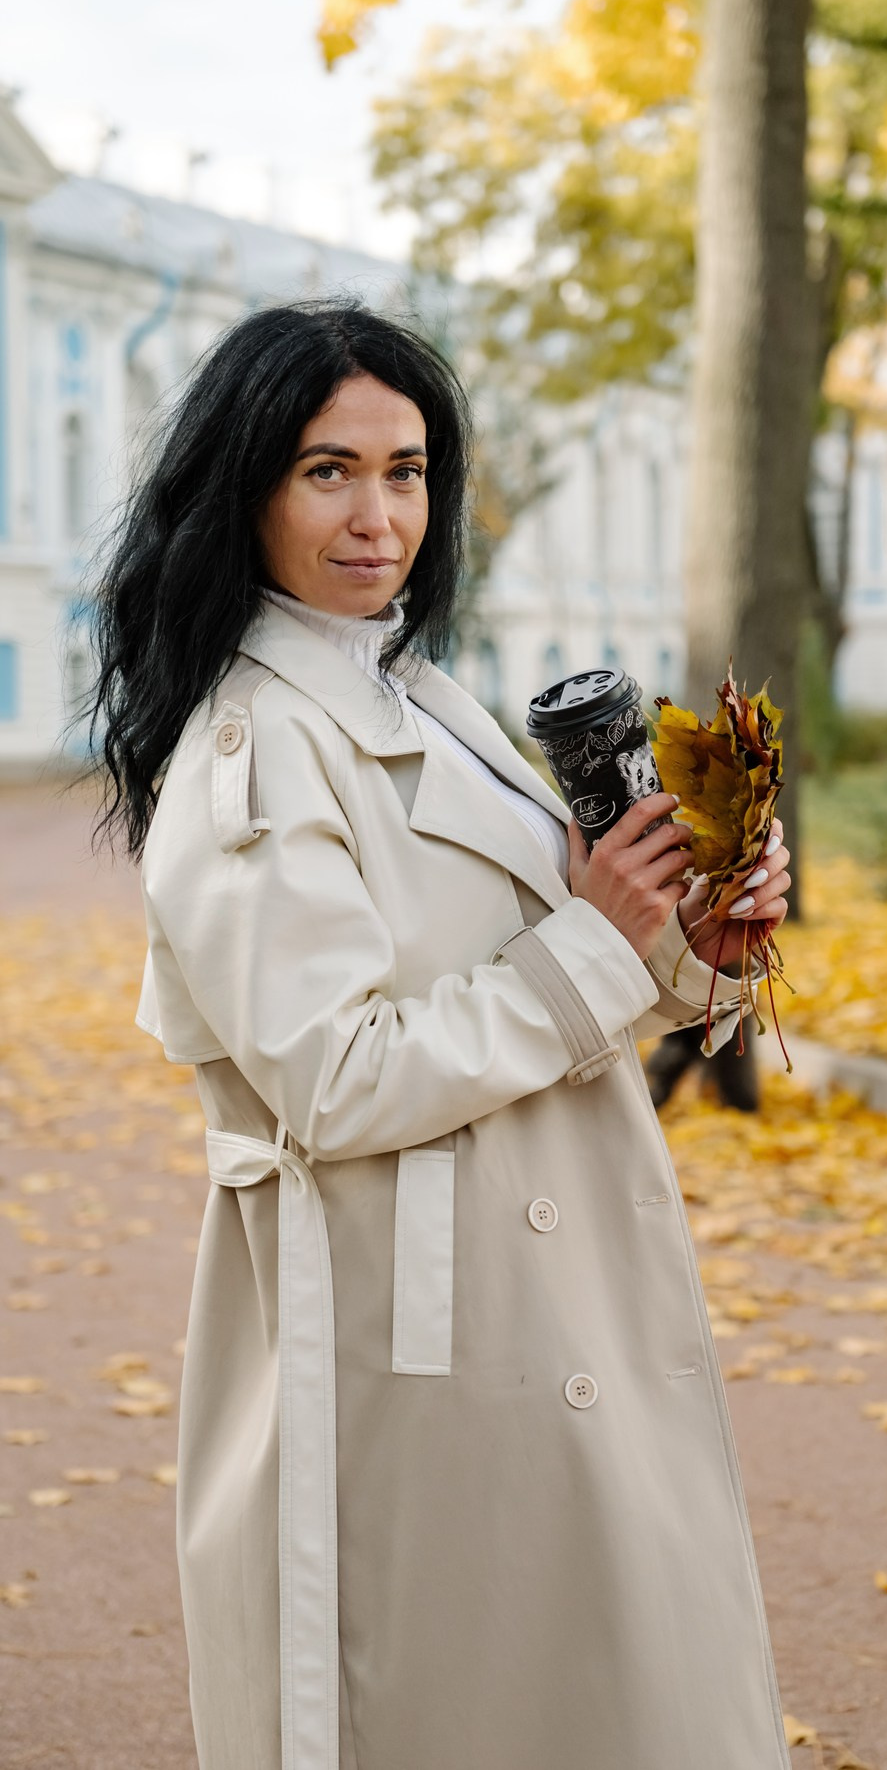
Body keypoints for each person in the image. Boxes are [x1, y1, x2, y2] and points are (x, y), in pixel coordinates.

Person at [88, 299, 794, 1770]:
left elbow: (539, 957)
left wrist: (693, 950)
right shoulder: (253, 749)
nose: (378, 517)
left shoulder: (408, 686)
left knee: (615, 1698)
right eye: (327, 471)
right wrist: (603, 941)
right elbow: (334, 1077)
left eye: (406, 471)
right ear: (246, 490)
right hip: (409, 1344)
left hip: (541, 1290)